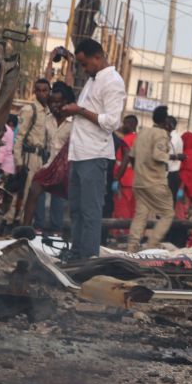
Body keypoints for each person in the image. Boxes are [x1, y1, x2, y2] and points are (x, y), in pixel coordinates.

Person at [62, 39, 126, 259]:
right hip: (79, 153)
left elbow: (112, 122)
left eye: (85, 63)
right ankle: (77, 252)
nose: (84, 69)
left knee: (90, 211)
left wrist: (80, 110)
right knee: (77, 210)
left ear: (97, 57)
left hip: (94, 154)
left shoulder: (112, 81)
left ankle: (88, 258)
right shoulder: (93, 79)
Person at [20, 82, 75, 231]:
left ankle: (57, 230)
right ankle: (27, 229)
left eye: (58, 102)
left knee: (61, 200)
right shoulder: (48, 120)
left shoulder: (74, 122)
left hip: (68, 167)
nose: (55, 105)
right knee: (34, 188)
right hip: (51, 164)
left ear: (66, 102)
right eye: (52, 102)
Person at [127, 105, 175, 251]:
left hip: (139, 181)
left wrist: (139, 172)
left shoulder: (142, 132)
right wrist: (176, 156)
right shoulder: (161, 134)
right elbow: (158, 155)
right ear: (165, 119)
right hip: (154, 182)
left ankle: (132, 245)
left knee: (141, 214)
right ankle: (152, 244)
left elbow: (132, 157)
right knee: (168, 213)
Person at [10, 78, 51, 227]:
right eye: (38, 90)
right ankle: (11, 223)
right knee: (22, 192)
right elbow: (19, 136)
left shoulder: (47, 112)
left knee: (33, 194)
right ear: (34, 92)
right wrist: (18, 161)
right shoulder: (30, 110)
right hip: (29, 156)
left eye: (45, 90)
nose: (42, 93)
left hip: (41, 158)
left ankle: (23, 224)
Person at [112, 114, 139, 221]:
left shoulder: (127, 140)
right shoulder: (138, 138)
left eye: (125, 123)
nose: (123, 126)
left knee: (122, 209)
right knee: (133, 210)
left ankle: (120, 233)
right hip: (136, 180)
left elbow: (125, 159)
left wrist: (117, 178)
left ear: (132, 124)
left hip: (124, 180)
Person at [166, 116, 184, 199]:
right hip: (173, 173)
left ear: (169, 125)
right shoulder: (177, 137)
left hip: (170, 173)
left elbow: (169, 156)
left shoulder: (173, 138)